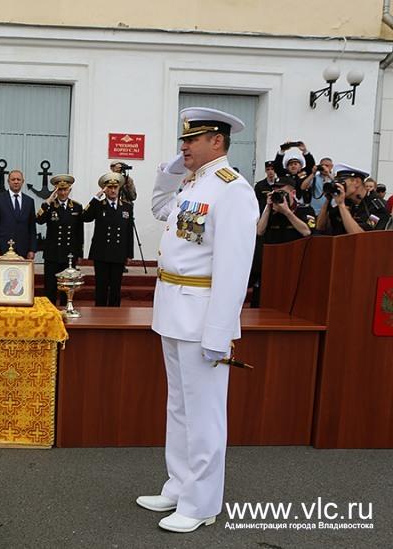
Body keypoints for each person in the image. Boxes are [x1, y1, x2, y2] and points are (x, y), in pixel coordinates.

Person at [140, 108, 258, 533]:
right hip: (173, 309)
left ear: (217, 141)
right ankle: (179, 486)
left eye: (192, 140)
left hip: (202, 315)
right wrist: (173, 168)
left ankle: (202, 502)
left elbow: (234, 268)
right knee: (179, 407)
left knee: (205, 414)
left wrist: (219, 332)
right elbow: (159, 206)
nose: (184, 146)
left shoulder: (232, 190)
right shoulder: (194, 184)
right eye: (183, 140)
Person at [82, 172, 133, 307]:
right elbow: (85, 217)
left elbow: (129, 231)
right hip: (102, 253)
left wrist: (129, 253)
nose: (113, 190)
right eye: (109, 188)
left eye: (115, 187)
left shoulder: (127, 207)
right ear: (105, 190)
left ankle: (114, 312)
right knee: (101, 286)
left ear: (119, 188)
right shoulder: (98, 205)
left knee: (116, 286)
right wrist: (96, 197)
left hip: (119, 252)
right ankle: (99, 311)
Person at [36, 174, 83, 306]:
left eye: (65, 189)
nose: (63, 193)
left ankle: (66, 308)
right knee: (50, 285)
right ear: (56, 190)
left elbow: (79, 232)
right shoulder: (50, 206)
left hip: (69, 253)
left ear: (69, 190)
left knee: (67, 286)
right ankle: (49, 309)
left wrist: (79, 253)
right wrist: (47, 202)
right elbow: (39, 219)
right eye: (60, 190)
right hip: (52, 252)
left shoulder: (77, 207)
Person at [315, 164, 391, 235]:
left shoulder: (377, 207)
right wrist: (328, 200)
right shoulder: (344, 202)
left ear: (357, 182)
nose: (339, 186)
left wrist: (342, 206)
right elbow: (320, 227)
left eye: (342, 183)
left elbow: (361, 236)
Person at [0, 170, 37, 259]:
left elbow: (32, 227)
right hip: (3, 247)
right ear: (8, 181)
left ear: (23, 181)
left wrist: (32, 249)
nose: (16, 182)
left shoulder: (29, 201)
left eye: (18, 179)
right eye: (13, 179)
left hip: (24, 249)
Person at [256, 176, 315, 244]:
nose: (279, 196)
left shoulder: (305, 209)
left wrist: (287, 212)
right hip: (274, 248)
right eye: (275, 193)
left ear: (293, 193)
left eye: (282, 193)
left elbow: (307, 232)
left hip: (296, 248)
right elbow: (259, 232)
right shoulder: (270, 210)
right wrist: (268, 207)